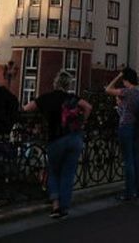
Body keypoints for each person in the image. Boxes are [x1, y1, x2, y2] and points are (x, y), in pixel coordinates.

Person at [24, 71, 92, 218]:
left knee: (53, 171)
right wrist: (83, 122)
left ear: (55, 83)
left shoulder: (47, 98)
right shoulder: (71, 98)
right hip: (74, 138)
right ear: (68, 85)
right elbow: (88, 107)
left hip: (56, 139)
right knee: (68, 173)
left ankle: (55, 206)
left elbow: (26, 109)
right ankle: (64, 208)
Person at [105, 67, 139, 201]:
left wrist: (118, 76)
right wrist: (121, 106)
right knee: (137, 159)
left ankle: (129, 192)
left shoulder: (127, 91)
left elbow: (108, 89)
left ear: (126, 79)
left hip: (126, 127)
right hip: (137, 127)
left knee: (128, 160)